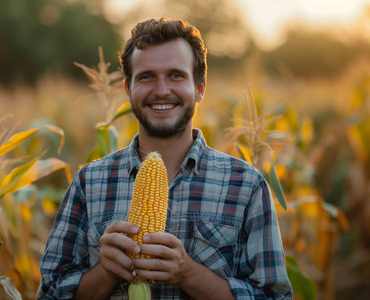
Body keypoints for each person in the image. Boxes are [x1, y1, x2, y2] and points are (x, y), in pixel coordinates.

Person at [37, 17, 292, 299]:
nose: (161, 90)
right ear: (128, 90)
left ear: (200, 89)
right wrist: (105, 272)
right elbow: (49, 292)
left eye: (176, 75)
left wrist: (188, 274)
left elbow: (276, 295)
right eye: (146, 77)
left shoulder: (246, 185)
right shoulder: (89, 183)